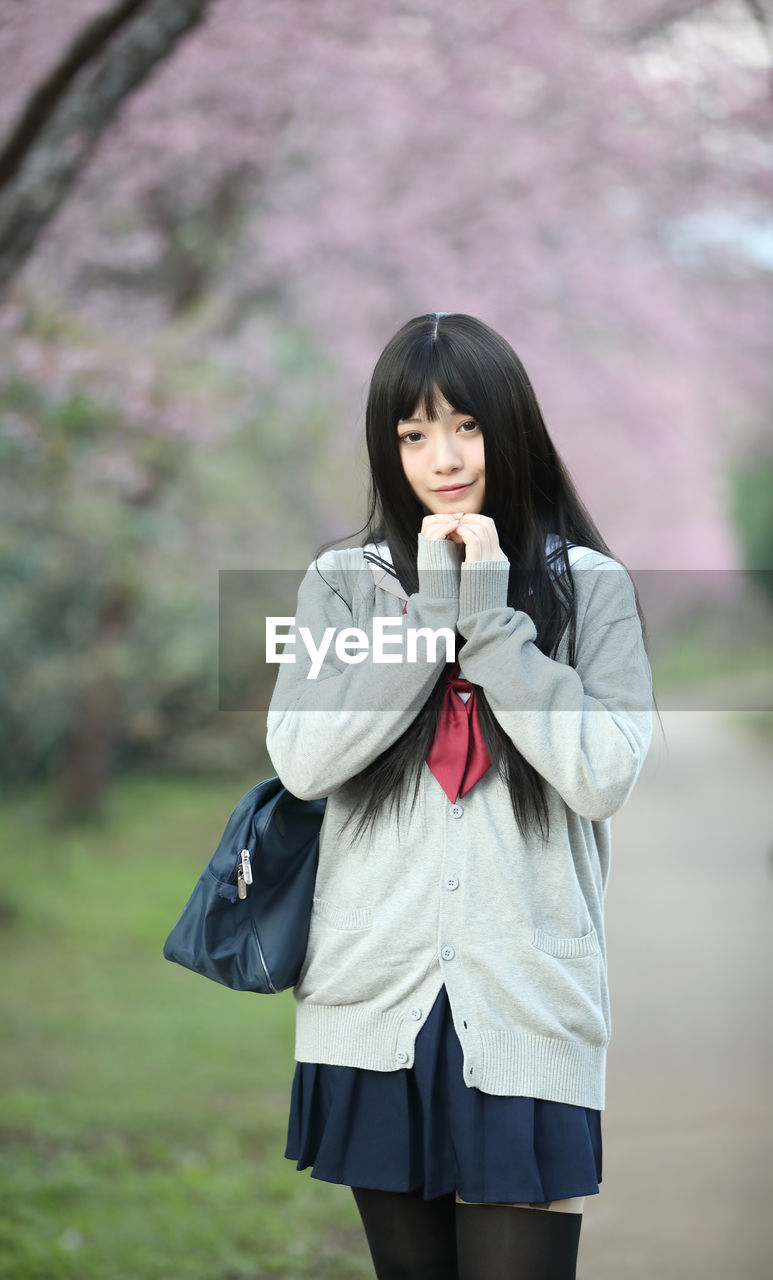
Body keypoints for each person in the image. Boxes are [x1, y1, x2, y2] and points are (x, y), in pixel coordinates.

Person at [265, 312, 653, 1280]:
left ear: (510, 427)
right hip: (372, 1000)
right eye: (410, 432)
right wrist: (427, 618)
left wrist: (490, 623)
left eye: (465, 425)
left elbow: (601, 773)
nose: (440, 456)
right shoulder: (342, 584)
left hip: (525, 1000)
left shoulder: (589, 589)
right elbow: (304, 760)